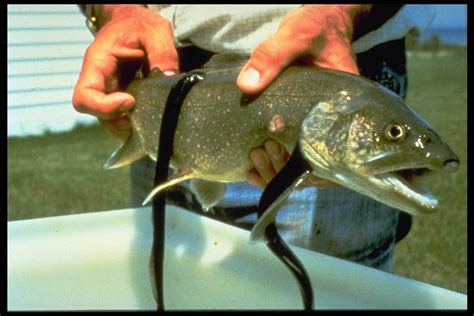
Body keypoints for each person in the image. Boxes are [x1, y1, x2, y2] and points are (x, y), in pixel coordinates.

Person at [73, 4, 435, 273]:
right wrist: (114, 12)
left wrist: (339, 13)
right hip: (159, 79)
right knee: (168, 283)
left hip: (335, 65)